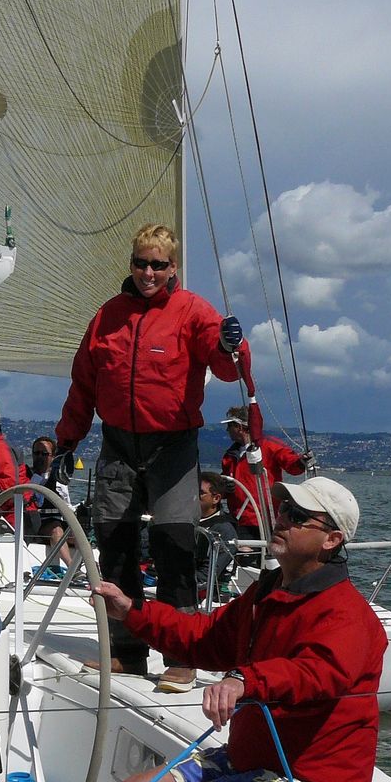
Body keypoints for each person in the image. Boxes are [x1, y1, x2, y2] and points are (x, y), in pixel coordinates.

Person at [91, 477, 385, 782]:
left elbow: (314, 673)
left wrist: (243, 680)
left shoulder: (349, 616)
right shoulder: (267, 593)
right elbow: (205, 638)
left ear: (332, 540)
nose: (281, 519)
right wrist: (133, 612)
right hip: (251, 761)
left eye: (297, 516)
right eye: (283, 510)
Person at [54, 223, 246, 685]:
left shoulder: (193, 311)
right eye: (141, 263)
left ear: (172, 267)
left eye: (158, 265)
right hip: (118, 443)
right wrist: (67, 441)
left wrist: (232, 344)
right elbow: (83, 384)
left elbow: (228, 368)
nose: (148, 273)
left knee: (174, 546)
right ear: (132, 263)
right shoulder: (108, 315)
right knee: (115, 546)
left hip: (173, 447)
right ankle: (127, 651)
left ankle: (181, 656)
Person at [220, 405, 312, 539]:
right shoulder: (230, 456)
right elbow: (224, 483)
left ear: (239, 427)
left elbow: (291, 464)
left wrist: (301, 462)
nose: (227, 430)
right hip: (238, 519)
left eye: (229, 426)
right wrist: (224, 488)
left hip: (265, 518)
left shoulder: (269, 446)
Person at [28, 436, 74, 574]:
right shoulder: (26, 475)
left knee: (78, 535)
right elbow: (27, 495)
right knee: (56, 530)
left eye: (44, 454)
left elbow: (67, 505)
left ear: (53, 457)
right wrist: (38, 476)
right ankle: (72, 568)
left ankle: (93, 568)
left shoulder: (59, 479)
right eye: (37, 453)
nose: (40, 457)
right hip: (39, 523)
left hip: (58, 519)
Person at [196, 471, 241, 602]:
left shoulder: (224, 530)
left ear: (216, 498)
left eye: (200, 493)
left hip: (206, 595)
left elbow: (207, 576)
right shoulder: (185, 521)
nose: (193, 497)